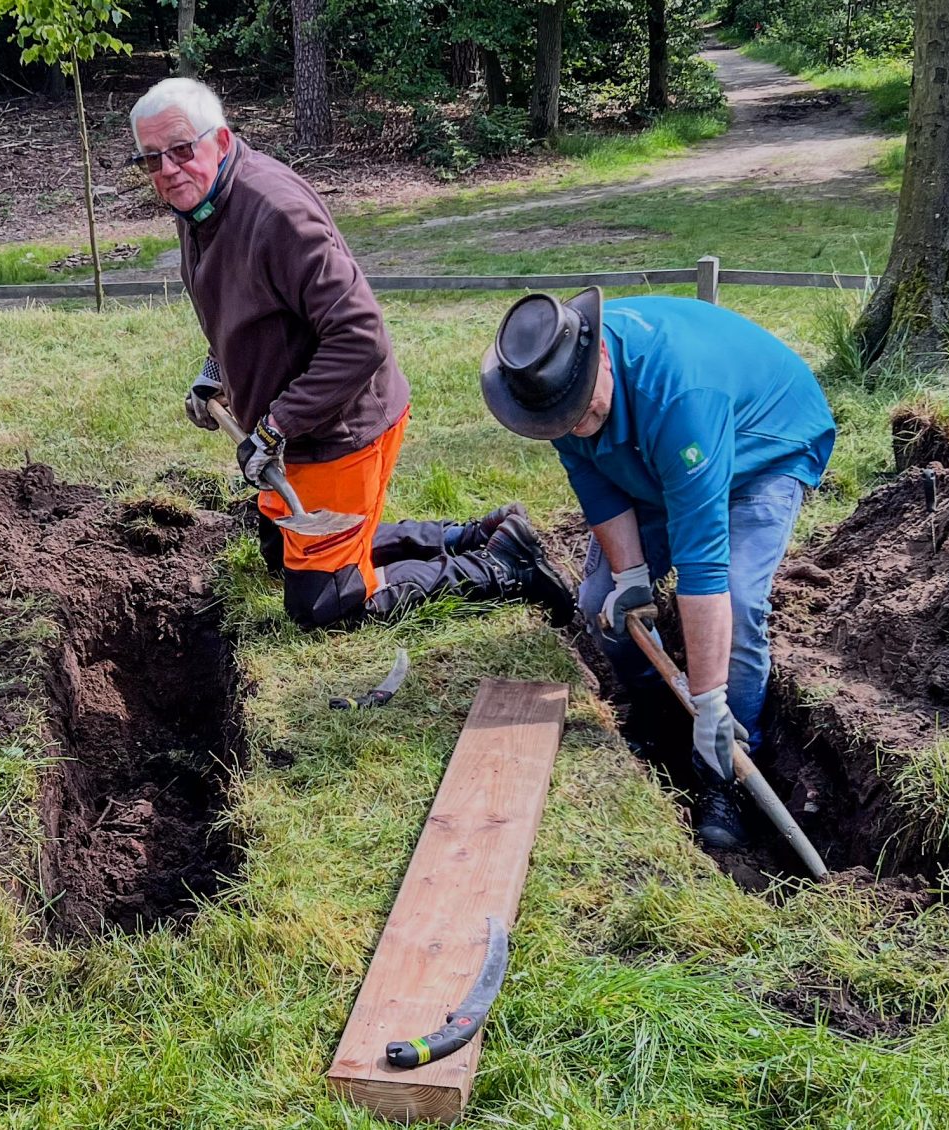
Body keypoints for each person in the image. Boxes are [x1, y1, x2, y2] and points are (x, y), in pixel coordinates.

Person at [129, 76, 573, 628]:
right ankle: (474, 535)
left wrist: (275, 427)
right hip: (301, 428)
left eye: (180, 149)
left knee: (328, 605)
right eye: (151, 159)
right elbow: (242, 310)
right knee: (279, 551)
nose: (167, 169)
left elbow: (360, 336)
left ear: (219, 140)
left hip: (340, 427)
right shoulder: (199, 206)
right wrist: (217, 371)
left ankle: (503, 566)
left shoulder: (275, 213)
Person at [477, 289, 837, 849]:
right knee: (601, 606)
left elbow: (704, 567)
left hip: (759, 450)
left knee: (740, 607)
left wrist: (712, 699)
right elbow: (595, 482)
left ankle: (727, 768)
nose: (577, 428)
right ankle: (660, 713)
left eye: (586, 412)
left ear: (600, 355)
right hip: (658, 457)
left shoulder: (680, 397)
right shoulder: (553, 390)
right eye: (563, 422)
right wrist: (630, 580)